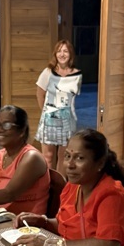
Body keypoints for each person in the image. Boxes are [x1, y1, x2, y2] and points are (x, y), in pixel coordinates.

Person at [12, 128, 124, 246]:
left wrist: (51, 245)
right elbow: (67, 226)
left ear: (100, 163)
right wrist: (43, 221)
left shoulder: (111, 195)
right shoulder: (73, 187)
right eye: (67, 156)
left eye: (79, 158)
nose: (70, 165)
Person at [35, 39, 82, 174]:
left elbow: (73, 99)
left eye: (65, 51)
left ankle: (60, 183)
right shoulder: (48, 72)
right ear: (55, 54)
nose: (62, 54)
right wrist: (46, 113)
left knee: (64, 157)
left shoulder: (77, 75)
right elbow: (40, 95)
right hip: (49, 118)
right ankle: (47, 182)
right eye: (59, 51)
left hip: (67, 119)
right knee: (48, 156)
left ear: (70, 54)